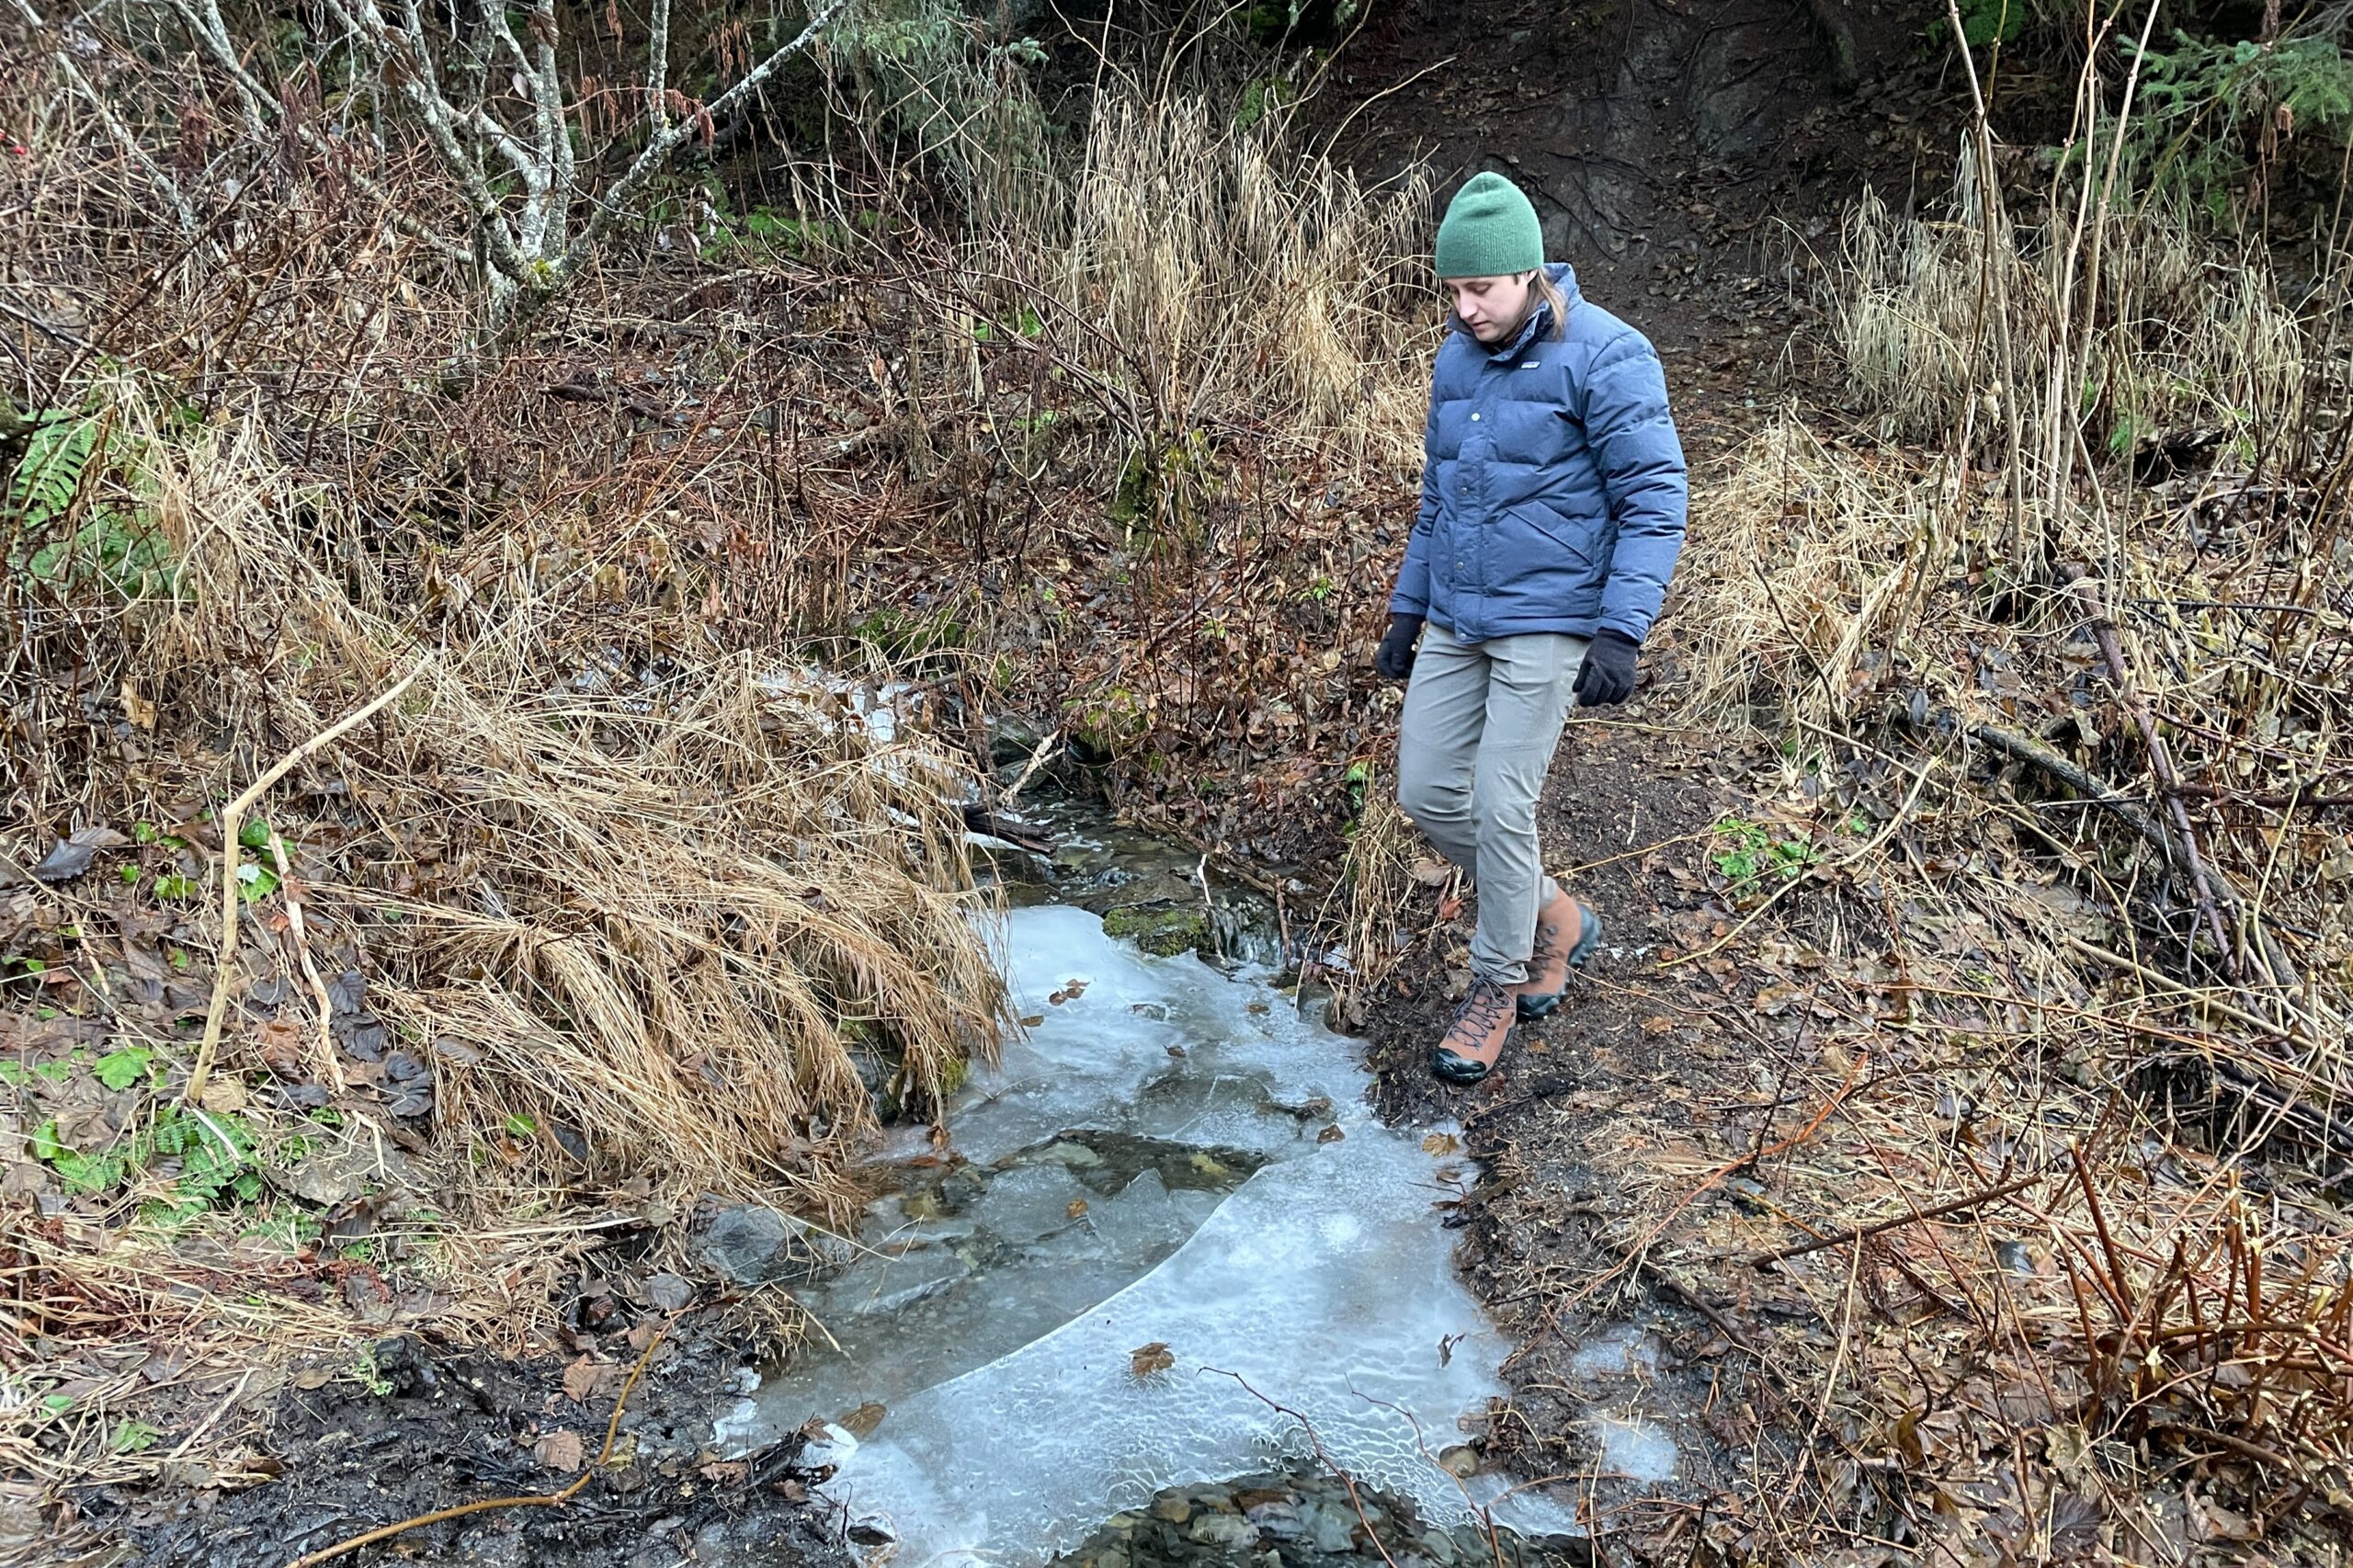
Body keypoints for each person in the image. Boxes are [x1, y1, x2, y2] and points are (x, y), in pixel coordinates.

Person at [1374, 171, 1688, 1085]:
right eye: (1453, 291)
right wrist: (1408, 607)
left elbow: (1654, 498)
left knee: (1500, 801)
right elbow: (1440, 498)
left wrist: (1622, 629)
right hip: (1461, 613)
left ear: (1527, 274)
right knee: (1428, 790)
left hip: (1551, 617)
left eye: (1480, 289)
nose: (1464, 309)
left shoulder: (1608, 355)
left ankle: (1497, 982)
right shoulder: (1455, 360)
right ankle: (1556, 914)